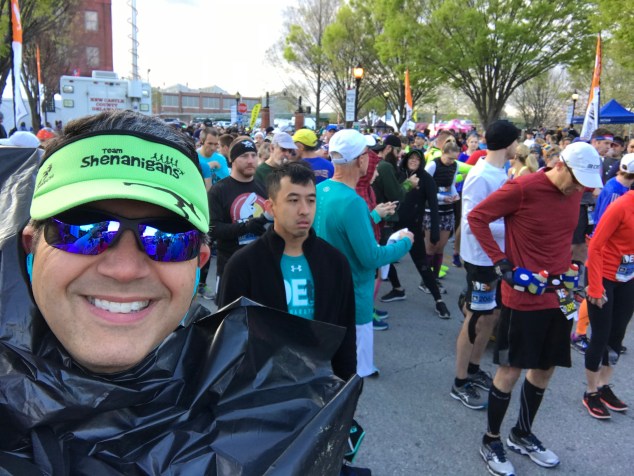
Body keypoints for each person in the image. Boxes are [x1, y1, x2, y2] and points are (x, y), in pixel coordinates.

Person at [0, 110, 358, 472]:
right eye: (84, 229)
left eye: (168, 238)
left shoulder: (277, 419)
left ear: (198, 263)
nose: (124, 270)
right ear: (31, 247)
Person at [469, 141, 603, 476]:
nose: (580, 189)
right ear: (560, 165)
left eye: (585, 184)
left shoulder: (574, 193)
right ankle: (491, 439)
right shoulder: (523, 188)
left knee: (546, 367)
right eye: (577, 180)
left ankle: (521, 433)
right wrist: (501, 262)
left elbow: (567, 238)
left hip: (560, 295)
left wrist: (576, 267)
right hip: (523, 297)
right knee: (511, 369)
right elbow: (477, 217)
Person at [218, 162, 356, 380]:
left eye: (311, 200)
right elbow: (229, 338)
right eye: (293, 200)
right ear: (270, 207)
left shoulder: (335, 263)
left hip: (320, 385)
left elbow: (346, 332)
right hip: (262, 388)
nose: (304, 210)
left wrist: (347, 385)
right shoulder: (243, 265)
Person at [314, 129, 413, 378]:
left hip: (325, 288)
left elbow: (339, 231)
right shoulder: (352, 201)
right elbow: (371, 258)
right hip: (353, 293)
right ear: (361, 159)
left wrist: (375, 215)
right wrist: (404, 243)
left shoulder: (320, 189)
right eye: (368, 155)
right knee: (352, 371)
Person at [452, 120, 520, 410]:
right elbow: (472, 223)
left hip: (496, 258)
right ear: (508, 143)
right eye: (516, 140)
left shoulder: (500, 172)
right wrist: (513, 226)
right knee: (476, 318)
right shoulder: (481, 176)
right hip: (481, 258)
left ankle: (474, 368)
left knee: (491, 316)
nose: (518, 146)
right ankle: (459, 381)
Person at [582, 190, 634, 419]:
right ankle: (590, 391)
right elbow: (595, 246)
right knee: (601, 335)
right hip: (602, 276)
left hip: (627, 277)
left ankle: (603, 386)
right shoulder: (621, 206)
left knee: (617, 334)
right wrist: (594, 287)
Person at [208, 136, 269, 295]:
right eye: (244, 156)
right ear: (233, 159)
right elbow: (213, 228)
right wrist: (246, 227)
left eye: (253, 155)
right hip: (230, 267)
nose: (250, 160)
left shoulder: (264, 187)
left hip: (262, 265)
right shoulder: (219, 190)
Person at [424, 141, 461, 290]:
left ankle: (434, 279)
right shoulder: (433, 165)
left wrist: (455, 195)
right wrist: (440, 197)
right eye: (450, 158)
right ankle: (425, 281)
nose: (452, 161)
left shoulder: (455, 165)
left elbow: (451, 185)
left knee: (440, 247)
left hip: (447, 210)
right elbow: (424, 187)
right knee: (431, 247)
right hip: (432, 210)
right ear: (443, 153)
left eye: (454, 159)